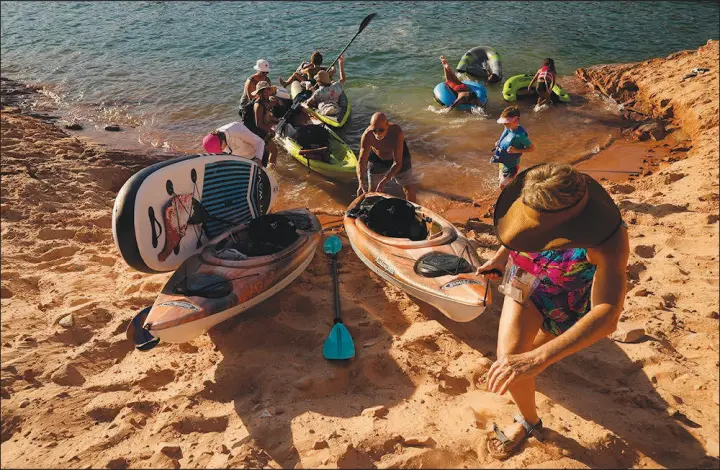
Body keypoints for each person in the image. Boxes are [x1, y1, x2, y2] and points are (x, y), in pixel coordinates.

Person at [477, 163, 629, 460]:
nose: (529, 229)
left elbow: (608, 313)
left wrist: (537, 358)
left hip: (564, 297)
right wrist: (500, 257)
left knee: (533, 355)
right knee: (509, 361)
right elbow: (515, 233)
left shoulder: (607, 240)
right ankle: (528, 420)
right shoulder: (534, 197)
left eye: (538, 227)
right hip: (523, 280)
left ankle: (538, 355)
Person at [357, 112, 417, 203]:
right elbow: (361, 161)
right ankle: (373, 212)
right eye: (374, 130)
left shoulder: (396, 133)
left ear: (387, 126)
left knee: (408, 187)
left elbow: (398, 163)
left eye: (381, 130)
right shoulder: (367, 135)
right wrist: (361, 183)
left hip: (399, 157)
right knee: (372, 191)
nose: (377, 133)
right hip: (377, 159)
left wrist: (384, 180)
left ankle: (413, 211)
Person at [491, 106, 534, 188]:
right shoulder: (508, 127)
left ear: (516, 120)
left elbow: (532, 148)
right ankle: (513, 183)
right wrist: (499, 142)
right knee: (500, 179)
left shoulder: (520, 135)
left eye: (507, 122)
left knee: (502, 186)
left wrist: (516, 150)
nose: (504, 124)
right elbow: (505, 137)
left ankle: (508, 198)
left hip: (512, 165)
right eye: (504, 121)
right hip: (503, 161)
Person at [241, 81, 279, 170]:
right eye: (263, 91)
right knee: (274, 150)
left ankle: (267, 169)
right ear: (259, 92)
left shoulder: (265, 101)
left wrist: (275, 121)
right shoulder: (258, 104)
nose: (266, 92)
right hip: (258, 133)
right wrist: (271, 130)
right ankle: (270, 171)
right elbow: (259, 124)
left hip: (261, 132)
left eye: (267, 90)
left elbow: (266, 116)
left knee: (267, 152)